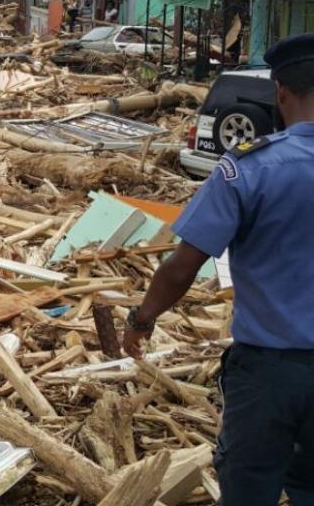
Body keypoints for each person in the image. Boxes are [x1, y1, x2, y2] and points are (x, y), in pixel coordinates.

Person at [121, 33, 314, 504]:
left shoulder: (250, 168)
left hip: (269, 373)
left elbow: (182, 266)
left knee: (249, 488)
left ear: (280, 92)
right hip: (272, 369)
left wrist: (142, 319)